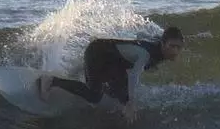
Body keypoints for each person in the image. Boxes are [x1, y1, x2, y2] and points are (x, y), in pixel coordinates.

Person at [39, 26, 184, 122]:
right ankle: (52, 81)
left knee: (121, 96)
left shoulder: (159, 51)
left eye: (178, 47)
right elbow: (134, 75)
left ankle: (88, 87)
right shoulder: (146, 54)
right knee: (95, 96)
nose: (175, 51)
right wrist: (131, 103)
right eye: (172, 46)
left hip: (113, 62)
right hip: (98, 53)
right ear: (163, 44)